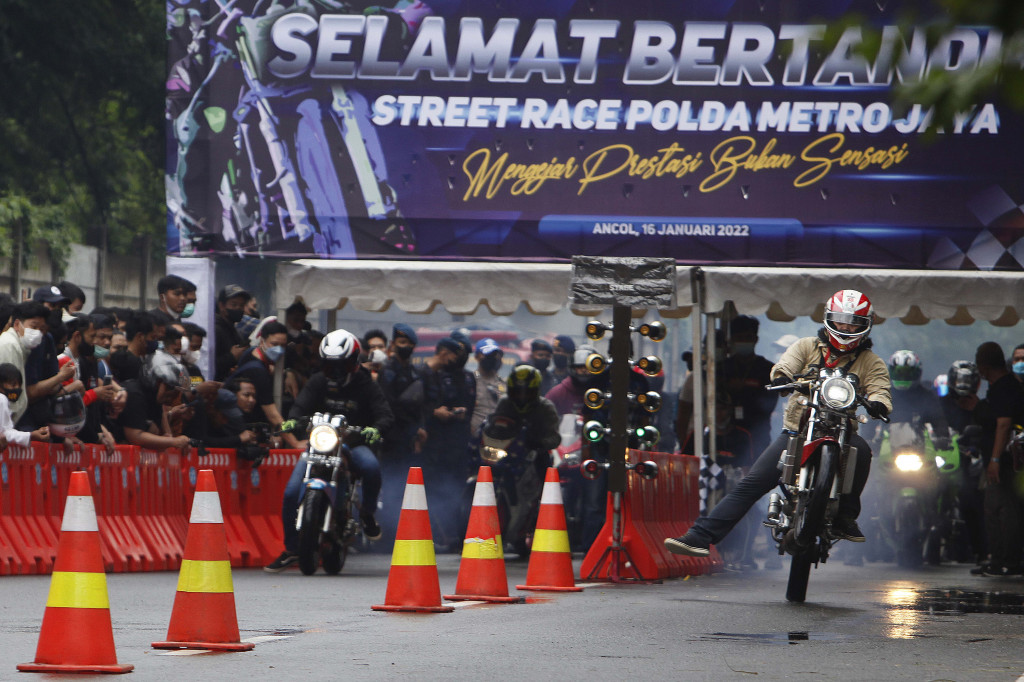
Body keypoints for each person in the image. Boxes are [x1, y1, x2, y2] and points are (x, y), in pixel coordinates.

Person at [665, 289, 892, 557]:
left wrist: (879, 403)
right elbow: (784, 366)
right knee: (752, 483)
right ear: (828, 319)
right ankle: (699, 537)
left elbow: (880, 390)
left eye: (853, 322)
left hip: (843, 431)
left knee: (863, 450)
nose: (845, 327)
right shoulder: (806, 346)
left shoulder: (871, 361)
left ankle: (846, 516)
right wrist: (782, 377)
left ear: (865, 326)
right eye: (840, 320)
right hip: (798, 430)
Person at [264, 329, 394, 572]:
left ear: (354, 362)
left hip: (353, 444)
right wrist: (292, 420)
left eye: (341, 365)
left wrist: (376, 429)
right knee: (292, 492)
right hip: (320, 442)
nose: (334, 371)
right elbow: (300, 405)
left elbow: (384, 413)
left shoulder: (365, 383)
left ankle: (367, 514)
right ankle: (292, 548)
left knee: (372, 468)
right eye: (329, 366)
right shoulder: (318, 381)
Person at [973, 342, 1024, 577]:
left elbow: (1003, 424)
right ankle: (1000, 559)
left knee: (1003, 510)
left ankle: (1007, 562)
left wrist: (994, 459)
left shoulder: (1004, 388)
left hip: (1004, 460)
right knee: (997, 508)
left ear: (983, 365)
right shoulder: (1004, 386)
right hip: (1001, 458)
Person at [719, 315, 778, 456]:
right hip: (725, 433)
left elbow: (768, 405)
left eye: (747, 337)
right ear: (732, 340)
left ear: (755, 340)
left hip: (757, 434)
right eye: (739, 338)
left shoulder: (767, 369)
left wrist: (745, 391)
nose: (743, 341)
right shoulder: (722, 368)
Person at [0, 302, 50, 424]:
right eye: (33, 327)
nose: (38, 333)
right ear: (17, 324)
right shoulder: (9, 345)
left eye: (41, 329)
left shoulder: (20, 347)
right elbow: (8, 391)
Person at [0, 363, 50, 445]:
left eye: (18, 385)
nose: (16, 388)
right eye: (13, 385)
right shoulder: (2, 399)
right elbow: (4, 434)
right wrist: (31, 435)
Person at [214, 284, 251, 381]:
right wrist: (231, 358)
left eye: (242, 305)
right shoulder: (215, 330)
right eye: (234, 305)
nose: (238, 309)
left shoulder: (232, 329)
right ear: (222, 306)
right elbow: (206, 363)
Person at [470, 337, 504, 435]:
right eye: (488, 355)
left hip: (497, 437)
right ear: (477, 357)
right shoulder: (471, 381)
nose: (493, 358)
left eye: (495, 355)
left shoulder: (502, 384)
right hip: (474, 438)